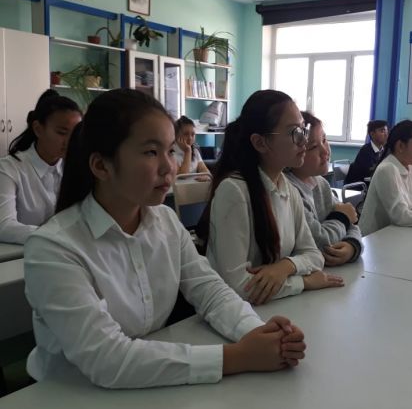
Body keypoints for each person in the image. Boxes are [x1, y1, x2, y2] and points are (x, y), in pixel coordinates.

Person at [24, 89, 306, 389]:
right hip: (68, 393)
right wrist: (240, 356)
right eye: (150, 152)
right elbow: (105, 358)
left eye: (171, 151)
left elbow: (211, 292)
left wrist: (260, 335)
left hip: (147, 382)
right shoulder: (53, 247)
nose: (169, 167)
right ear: (101, 166)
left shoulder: (165, 222)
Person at [201, 90, 344, 306]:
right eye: (294, 132)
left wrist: (285, 266)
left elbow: (314, 255)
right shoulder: (234, 192)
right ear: (260, 143)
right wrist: (304, 282)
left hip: (273, 306)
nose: (304, 141)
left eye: (303, 130)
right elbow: (237, 286)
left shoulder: (288, 189)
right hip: (235, 311)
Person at [0, 90, 81, 244]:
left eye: (74, 134)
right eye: (62, 133)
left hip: (67, 251)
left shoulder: (75, 168)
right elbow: (3, 226)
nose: (69, 141)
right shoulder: (8, 169)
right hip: (21, 254)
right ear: (38, 129)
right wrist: (60, 237)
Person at [286, 112, 363, 266]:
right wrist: (342, 217)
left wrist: (351, 245)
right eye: (313, 147)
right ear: (294, 152)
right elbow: (319, 243)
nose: (325, 151)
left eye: (324, 140)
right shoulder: (289, 190)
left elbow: (351, 223)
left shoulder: (321, 183)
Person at [344, 120, 388, 184]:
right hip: (359, 186)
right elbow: (368, 174)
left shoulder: (385, 150)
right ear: (372, 134)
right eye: (382, 131)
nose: (386, 134)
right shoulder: (365, 151)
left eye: (386, 131)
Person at [174, 115, 211, 180]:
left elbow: (203, 169)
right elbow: (183, 176)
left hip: (194, 185)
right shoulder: (171, 154)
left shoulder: (195, 152)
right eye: (186, 134)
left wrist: (205, 176)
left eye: (193, 134)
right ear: (176, 135)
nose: (190, 138)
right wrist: (188, 151)